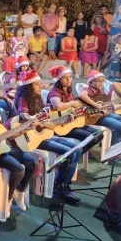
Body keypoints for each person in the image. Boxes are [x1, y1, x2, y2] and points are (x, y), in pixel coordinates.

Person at [13, 70, 82, 203]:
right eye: (37, 84)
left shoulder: (38, 99)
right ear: (28, 87)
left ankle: (63, 184)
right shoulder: (24, 100)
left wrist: (65, 118)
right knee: (69, 151)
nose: (41, 86)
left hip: (43, 135)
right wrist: (42, 122)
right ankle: (60, 187)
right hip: (31, 139)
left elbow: (48, 120)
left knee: (77, 149)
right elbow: (25, 116)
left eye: (40, 84)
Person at [47, 65, 104, 159]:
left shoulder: (69, 93)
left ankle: (76, 155)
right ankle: (72, 156)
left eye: (70, 77)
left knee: (99, 134)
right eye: (65, 78)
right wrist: (72, 102)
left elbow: (76, 111)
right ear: (58, 79)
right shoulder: (55, 92)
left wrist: (95, 112)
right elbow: (57, 106)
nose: (69, 80)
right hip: (60, 125)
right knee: (90, 137)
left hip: (71, 122)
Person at [79, 70, 121, 145]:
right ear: (90, 82)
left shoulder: (100, 93)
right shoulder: (87, 89)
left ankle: (115, 143)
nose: (100, 83)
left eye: (102, 81)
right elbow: (82, 95)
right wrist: (96, 105)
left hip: (104, 115)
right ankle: (111, 148)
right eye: (98, 81)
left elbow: (111, 108)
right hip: (96, 117)